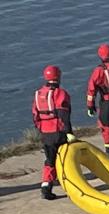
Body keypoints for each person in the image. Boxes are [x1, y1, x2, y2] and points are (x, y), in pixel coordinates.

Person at [32, 65, 75, 201]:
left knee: (50, 161)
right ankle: (71, 185)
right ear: (58, 77)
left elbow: (35, 116)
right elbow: (64, 114)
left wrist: (41, 130)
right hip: (58, 131)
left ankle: (46, 186)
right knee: (65, 158)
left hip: (45, 133)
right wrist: (68, 132)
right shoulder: (60, 93)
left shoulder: (38, 94)